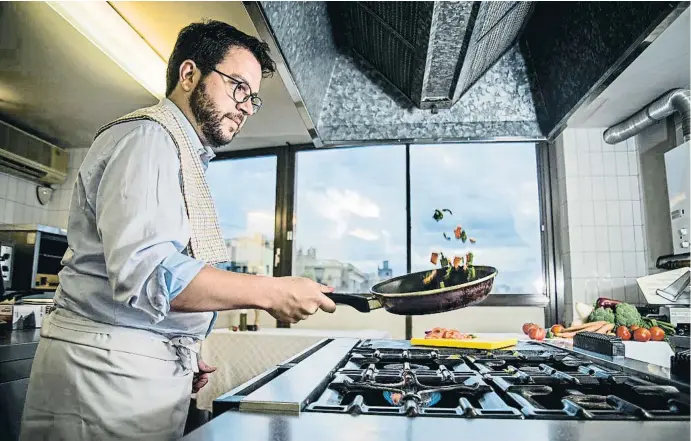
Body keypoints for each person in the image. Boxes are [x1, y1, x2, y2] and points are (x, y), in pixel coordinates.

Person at [19, 20, 336, 441]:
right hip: (105, 376)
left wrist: (179, 343)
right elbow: (150, 273)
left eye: (253, 98)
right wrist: (270, 291)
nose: (245, 106)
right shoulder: (149, 137)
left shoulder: (182, 153)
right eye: (237, 87)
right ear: (189, 75)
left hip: (137, 367)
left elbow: (163, 274)